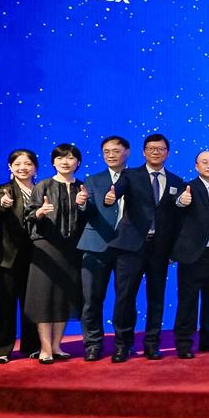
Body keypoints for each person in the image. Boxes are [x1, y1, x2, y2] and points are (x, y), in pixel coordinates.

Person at [106, 133, 183, 362]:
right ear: (143, 152)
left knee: (156, 298)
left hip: (160, 249)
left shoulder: (176, 181)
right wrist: (111, 196)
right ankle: (122, 345)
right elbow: (118, 190)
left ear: (167, 153)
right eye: (151, 148)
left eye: (160, 149)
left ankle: (152, 345)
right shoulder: (130, 175)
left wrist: (174, 250)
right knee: (125, 297)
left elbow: (177, 219)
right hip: (131, 247)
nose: (155, 152)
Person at [25, 143, 90, 364]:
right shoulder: (43, 185)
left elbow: (91, 218)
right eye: (60, 158)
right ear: (53, 162)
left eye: (70, 158)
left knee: (64, 296)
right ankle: (45, 348)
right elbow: (28, 215)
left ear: (78, 162)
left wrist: (83, 206)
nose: (65, 162)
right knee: (44, 297)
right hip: (46, 247)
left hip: (73, 249)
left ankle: (56, 345)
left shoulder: (83, 187)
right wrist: (39, 212)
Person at [170, 150, 209, 359]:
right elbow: (176, 206)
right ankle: (184, 343)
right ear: (196, 166)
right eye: (204, 162)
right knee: (188, 300)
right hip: (194, 254)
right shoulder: (187, 188)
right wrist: (181, 201)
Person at [0, 149, 41, 363]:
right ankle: (0, 350)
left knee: (33, 304)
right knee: (4, 304)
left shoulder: (42, 189)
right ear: (10, 167)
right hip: (8, 256)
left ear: (35, 167)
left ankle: (33, 346)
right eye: (17, 164)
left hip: (37, 257)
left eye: (27, 164)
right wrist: (3, 204)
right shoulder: (5, 190)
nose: (22, 168)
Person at [78, 136, 128, 361]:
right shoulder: (93, 180)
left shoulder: (136, 178)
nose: (110, 155)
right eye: (106, 151)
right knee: (91, 299)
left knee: (124, 299)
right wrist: (81, 203)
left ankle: (123, 344)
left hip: (127, 247)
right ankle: (93, 344)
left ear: (126, 152)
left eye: (115, 151)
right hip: (95, 245)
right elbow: (87, 211)